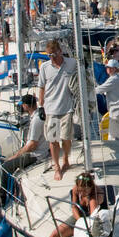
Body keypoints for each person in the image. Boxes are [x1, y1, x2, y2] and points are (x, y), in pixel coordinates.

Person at [38, 38, 78, 180]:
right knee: (53, 139)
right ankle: (56, 166)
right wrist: (40, 105)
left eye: (54, 54)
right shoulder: (45, 67)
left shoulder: (72, 63)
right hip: (50, 108)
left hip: (67, 108)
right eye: (49, 55)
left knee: (66, 137)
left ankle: (66, 159)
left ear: (60, 52)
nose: (52, 58)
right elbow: (41, 86)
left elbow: (82, 74)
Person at [0, 95, 46, 174]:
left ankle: (4, 186)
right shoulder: (39, 115)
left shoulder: (36, 120)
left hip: (36, 155)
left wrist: (15, 156)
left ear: (26, 106)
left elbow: (32, 146)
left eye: (22, 105)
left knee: (5, 167)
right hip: (39, 151)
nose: (21, 107)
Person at [96, 59, 119, 143]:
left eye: (109, 67)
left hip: (117, 112)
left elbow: (100, 89)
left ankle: (118, 154)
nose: (107, 69)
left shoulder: (113, 79)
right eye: (107, 67)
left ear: (114, 69)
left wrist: (86, 91)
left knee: (113, 136)